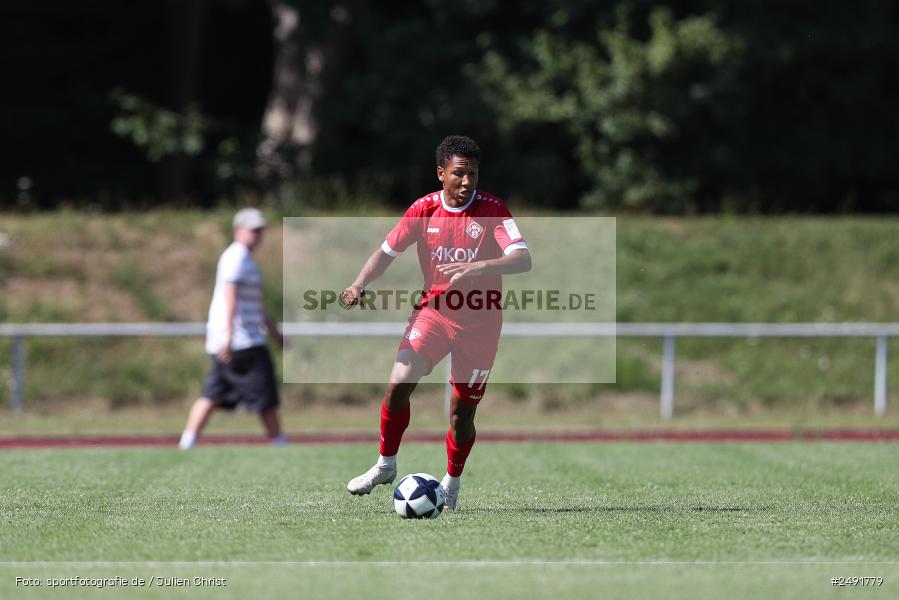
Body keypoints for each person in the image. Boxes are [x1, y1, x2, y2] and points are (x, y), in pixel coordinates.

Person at [344, 135, 532, 510]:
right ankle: (385, 464)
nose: (467, 182)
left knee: (462, 414)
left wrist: (480, 265)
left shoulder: (492, 210)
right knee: (398, 382)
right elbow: (386, 252)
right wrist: (359, 283)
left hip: (480, 325)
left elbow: (522, 258)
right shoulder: (423, 209)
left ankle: (453, 481)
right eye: (459, 174)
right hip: (433, 314)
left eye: (473, 174)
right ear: (441, 173)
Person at [178, 208, 287, 449]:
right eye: (253, 230)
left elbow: (254, 305)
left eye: (261, 231)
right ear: (238, 231)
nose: (258, 235)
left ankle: (187, 442)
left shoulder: (243, 258)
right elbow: (231, 299)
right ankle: (279, 442)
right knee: (264, 393)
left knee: (212, 393)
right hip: (241, 339)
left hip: (237, 337)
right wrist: (228, 338)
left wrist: (275, 332)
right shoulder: (236, 257)